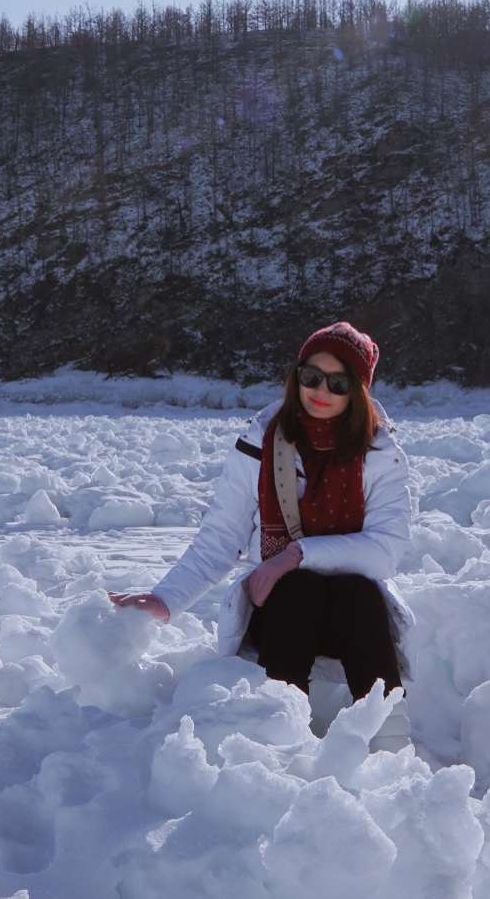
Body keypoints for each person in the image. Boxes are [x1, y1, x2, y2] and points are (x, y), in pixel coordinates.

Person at [110, 321, 414, 749]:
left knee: (356, 592)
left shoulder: (380, 455)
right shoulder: (263, 441)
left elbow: (384, 552)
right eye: (311, 375)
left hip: (354, 620)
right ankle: (276, 739)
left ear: (358, 391)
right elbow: (221, 536)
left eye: (338, 381)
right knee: (299, 590)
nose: (320, 390)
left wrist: (294, 554)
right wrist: (166, 599)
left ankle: (391, 745)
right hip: (282, 613)